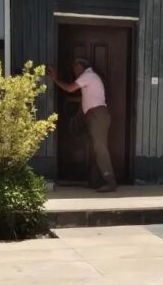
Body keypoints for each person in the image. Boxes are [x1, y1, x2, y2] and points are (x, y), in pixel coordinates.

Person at [48, 59, 117, 192]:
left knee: (100, 148)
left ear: (82, 66)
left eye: (76, 67)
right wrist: (70, 100)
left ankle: (110, 181)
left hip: (97, 115)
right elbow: (86, 97)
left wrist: (55, 79)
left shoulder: (88, 75)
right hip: (95, 115)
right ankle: (96, 181)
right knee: (96, 149)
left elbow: (70, 88)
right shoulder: (91, 77)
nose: (75, 70)